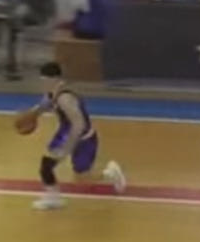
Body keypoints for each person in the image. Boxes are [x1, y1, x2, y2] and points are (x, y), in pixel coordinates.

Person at [27, 62, 126, 211]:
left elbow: (79, 124)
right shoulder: (52, 92)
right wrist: (30, 114)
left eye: (44, 81)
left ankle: (110, 173)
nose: (42, 84)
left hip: (84, 138)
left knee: (82, 178)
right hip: (65, 132)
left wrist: (67, 148)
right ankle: (53, 199)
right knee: (46, 165)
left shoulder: (65, 98)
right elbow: (44, 105)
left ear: (54, 79)